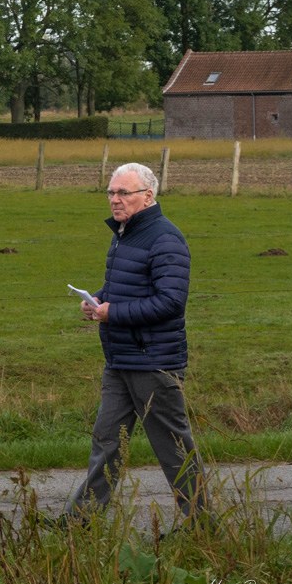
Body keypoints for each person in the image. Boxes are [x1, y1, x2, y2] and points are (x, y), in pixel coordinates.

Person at [66, 162, 205, 522]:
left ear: (148, 196)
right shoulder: (125, 234)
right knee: (106, 441)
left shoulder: (165, 238)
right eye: (111, 192)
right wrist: (96, 301)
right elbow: (124, 289)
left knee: (174, 449)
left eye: (123, 193)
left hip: (154, 362)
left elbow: (170, 302)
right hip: (121, 359)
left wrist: (114, 313)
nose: (114, 199)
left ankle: (201, 523)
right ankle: (83, 519)